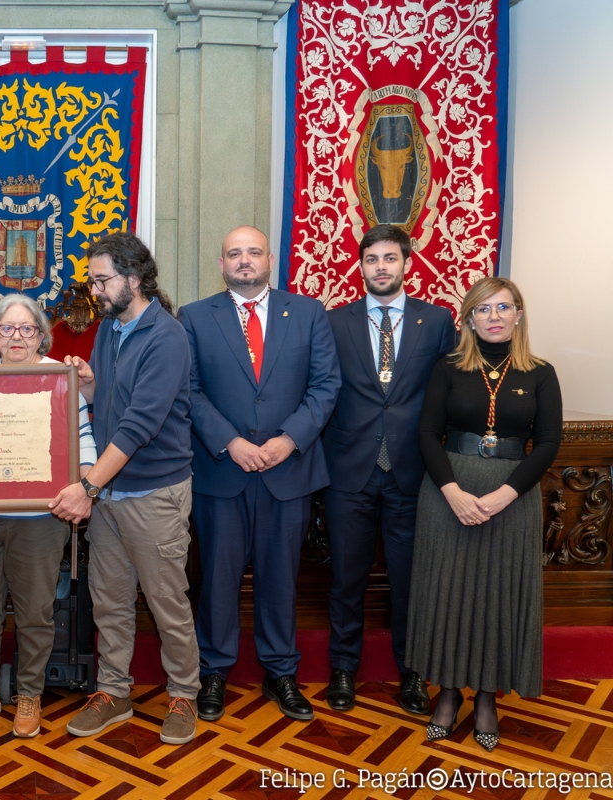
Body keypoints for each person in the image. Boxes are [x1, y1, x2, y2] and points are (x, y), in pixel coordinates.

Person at [179, 225, 340, 723]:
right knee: (217, 581)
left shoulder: (309, 313)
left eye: (253, 252)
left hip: (286, 469)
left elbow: (325, 385)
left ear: (270, 258)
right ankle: (213, 672)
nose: (244, 261)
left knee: (279, 579)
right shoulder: (194, 317)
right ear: (221, 263)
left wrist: (288, 439)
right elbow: (189, 390)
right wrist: (230, 442)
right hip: (221, 470)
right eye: (234, 254)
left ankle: (281, 672)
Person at [50, 231, 201, 746]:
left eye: (102, 280)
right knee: (109, 601)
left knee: (166, 602)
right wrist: (88, 382)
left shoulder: (167, 337)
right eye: (92, 280)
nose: (94, 291)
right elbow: (109, 404)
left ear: (134, 279)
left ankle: (184, 693)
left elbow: (139, 425)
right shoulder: (109, 331)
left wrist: (86, 488)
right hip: (112, 494)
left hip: (154, 493)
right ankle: (113, 692)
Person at [407, 277, 561, 752]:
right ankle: (448, 695)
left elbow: (549, 442)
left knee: (497, 595)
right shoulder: (448, 367)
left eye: (504, 308)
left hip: (512, 499)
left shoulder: (540, 372)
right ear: (469, 319)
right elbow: (428, 433)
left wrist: (506, 495)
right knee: (448, 593)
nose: (494, 316)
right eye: (483, 309)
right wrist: (451, 490)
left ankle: (488, 698)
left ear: (519, 315)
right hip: (448, 493)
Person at [0, 294, 98, 738]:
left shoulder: (62, 379)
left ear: (41, 335)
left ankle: (29, 694)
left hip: (40, 518)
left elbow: (84, 442)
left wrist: (86, 486)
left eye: (26, 328)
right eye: (6, 329)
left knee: (35, 612)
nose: (16, 336)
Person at [322, 224, 455, 714]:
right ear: (361, 265)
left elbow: (451, 391)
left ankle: (413, 673)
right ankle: (342, 671)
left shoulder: (437, 322)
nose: (381, 267)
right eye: (372, 259)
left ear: (406, 264)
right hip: (349, 472)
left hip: (412, 473)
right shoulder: (334, 322)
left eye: (390, 259)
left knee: (410, 581)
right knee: (346, 579)